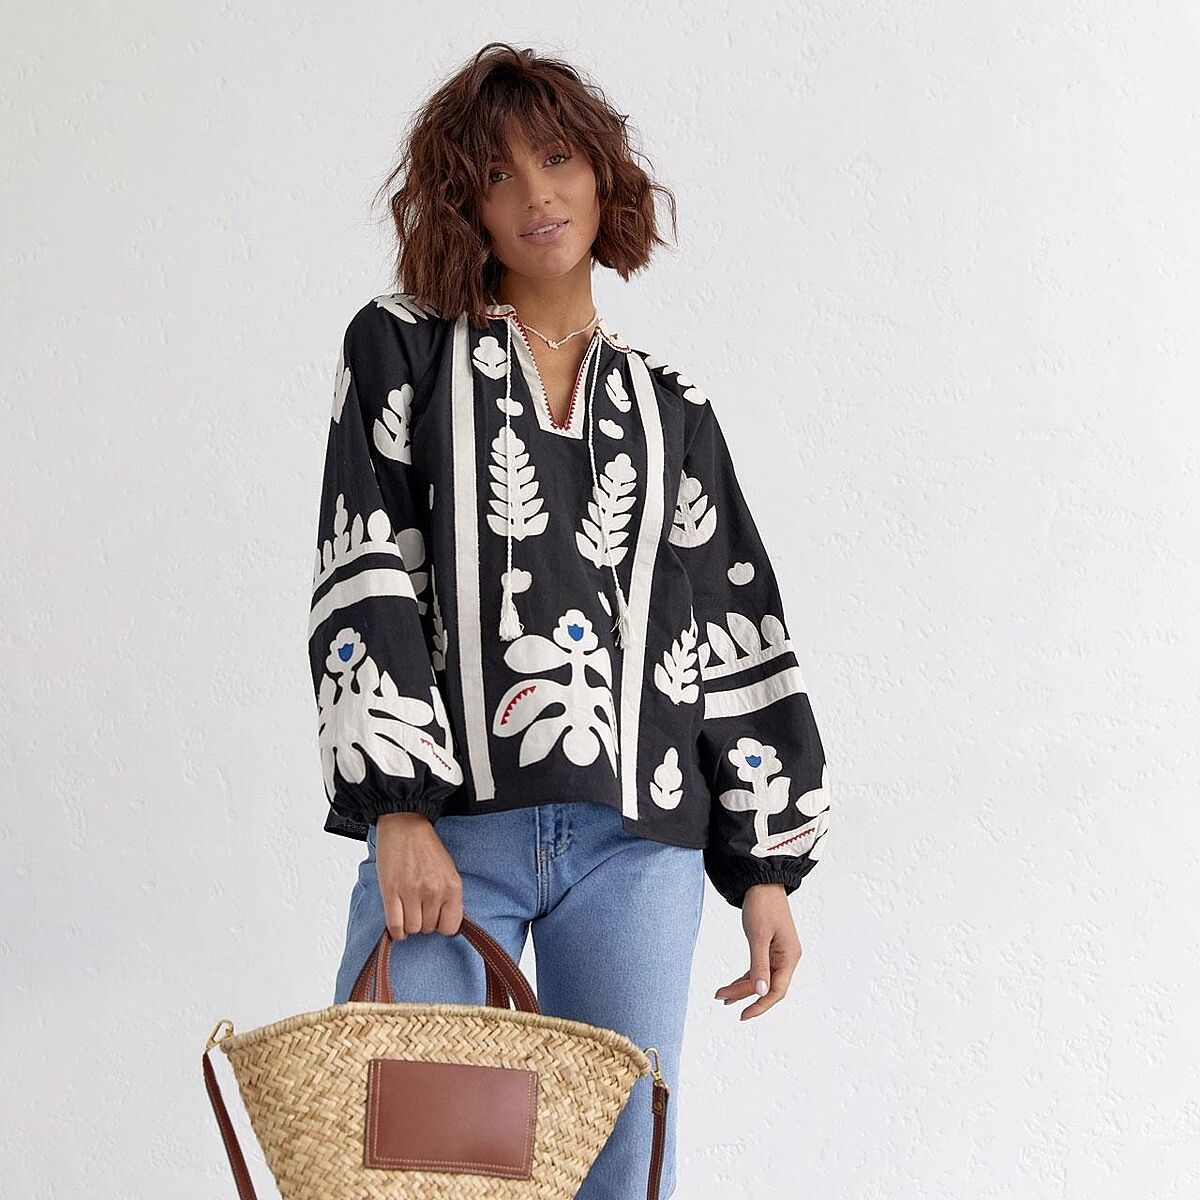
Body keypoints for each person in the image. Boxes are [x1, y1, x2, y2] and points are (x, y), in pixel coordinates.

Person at [308, 42, 831, 1198]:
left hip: (637, 842)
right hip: (455, 829)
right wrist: (398, 807)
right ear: (465, 203)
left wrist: (765, 868)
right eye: (497, 174)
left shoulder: (673, 410)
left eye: (557, 160)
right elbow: (365, 564)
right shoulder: (401, 350)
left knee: (621, 1172)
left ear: (603, 176)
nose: (536, 195)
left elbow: (732, 626)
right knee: (409, 1166)